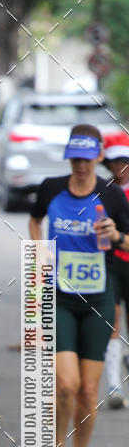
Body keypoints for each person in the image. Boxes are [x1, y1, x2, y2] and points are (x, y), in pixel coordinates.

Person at [29, 124, 129, 447]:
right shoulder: (51, 188)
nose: (81, 166)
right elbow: (35, 219)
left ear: (98, 156)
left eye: (87, 159)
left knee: (88, 391)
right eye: (75, 159)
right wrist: (40, 251)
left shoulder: (112, 195)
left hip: (99, 299)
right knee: (66, 385)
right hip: (59, 298)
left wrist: (116, 236)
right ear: (69, 157)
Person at [102, 132, 129, 408]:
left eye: (125, 160)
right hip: (111, 263)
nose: (120, 167)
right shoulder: (103, 190)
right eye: (115, 161)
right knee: (113, 320)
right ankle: (114, 385)